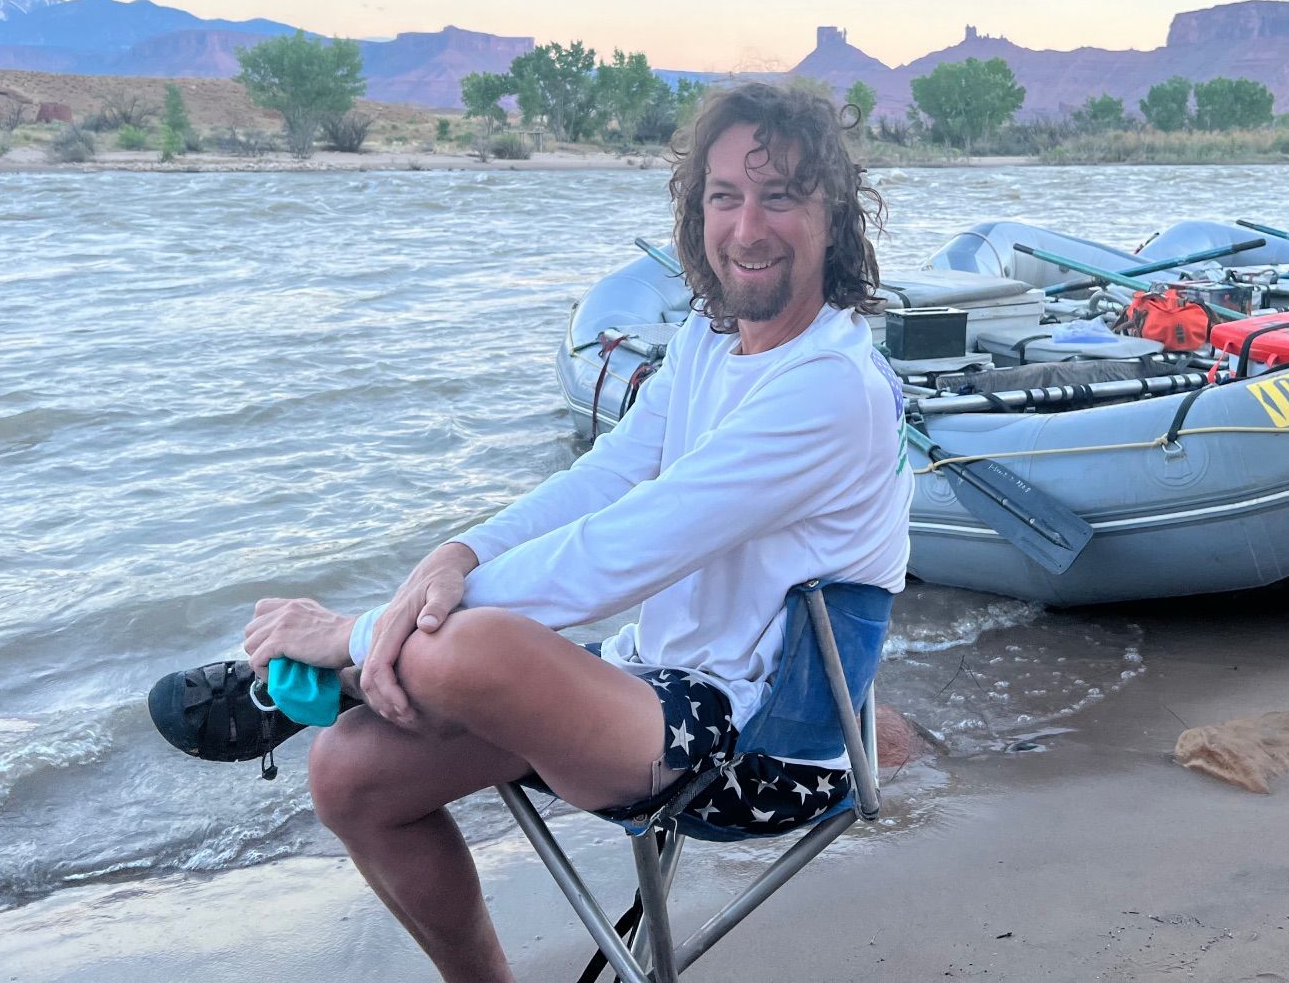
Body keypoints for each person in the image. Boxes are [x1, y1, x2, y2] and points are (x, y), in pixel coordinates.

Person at [234, 82, 911, 982]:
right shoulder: (712, 344)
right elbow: (605, 477)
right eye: (723, 196)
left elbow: (628, 547)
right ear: (695, 212)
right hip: (647, 685)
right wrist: (458, 552)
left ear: (834, 219)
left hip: (757, 747)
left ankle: (359, 668)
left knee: (448, 655)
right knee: (346, 775)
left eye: (780, 196)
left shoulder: (832, 387)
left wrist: (362, 628)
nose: (747, 225)